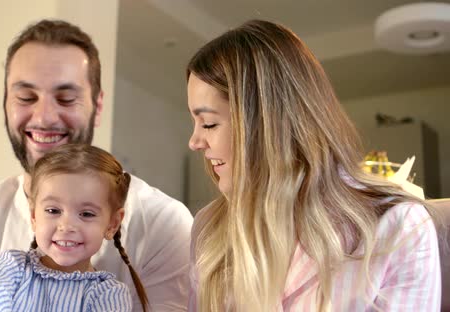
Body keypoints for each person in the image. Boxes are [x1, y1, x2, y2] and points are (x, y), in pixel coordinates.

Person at [0, 19, 193, 312]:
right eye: (26, 97)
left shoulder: (164, 225)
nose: (44, 117)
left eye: (66, 99)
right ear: (6, 103)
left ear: (98, 106)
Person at [185, 19, 441, 311]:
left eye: (209, 123)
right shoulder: (209, 228)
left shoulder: (399, 228)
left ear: (268, 123)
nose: (195, 141)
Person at [0, 144, 147, 311]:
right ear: (34, 216)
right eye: (53, 210)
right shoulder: (11, 268)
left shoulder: (108, 295)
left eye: (86, 214)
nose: (66, 225)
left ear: (112, 224)